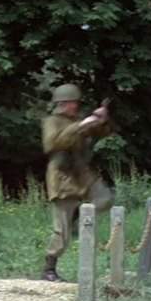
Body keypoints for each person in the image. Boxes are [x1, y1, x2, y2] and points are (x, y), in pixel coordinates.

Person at [41, 84, 113, 282]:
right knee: (61, 231)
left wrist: (101, 120)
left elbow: (101, 133)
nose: (76, 106)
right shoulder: (52, 121)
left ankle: (81, 215)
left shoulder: (77, 120)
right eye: (73, 102)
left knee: (105, 198)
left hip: (82, 174)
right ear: (63, 103)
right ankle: (49, 268)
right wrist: (80, 126)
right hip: (62, 177)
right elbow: (51, 144)